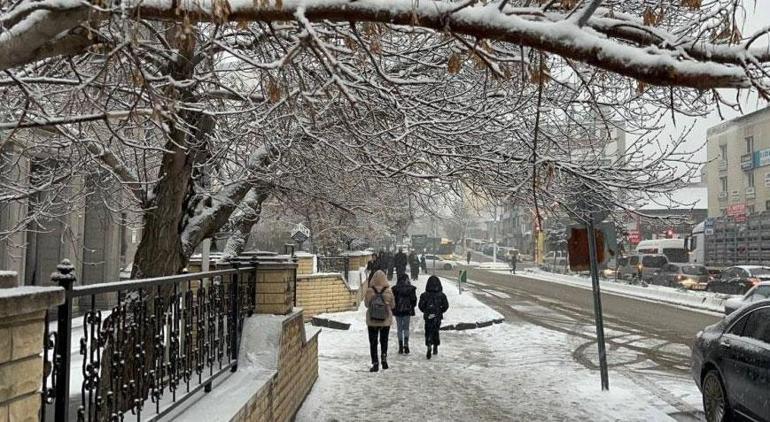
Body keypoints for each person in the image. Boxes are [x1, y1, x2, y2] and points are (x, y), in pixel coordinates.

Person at [365, 270, 395, 372]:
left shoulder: (370, 291)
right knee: (384, 340)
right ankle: (384, 358)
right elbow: (393, 305)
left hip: (372, 321)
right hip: (385, 321)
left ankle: (375, 363)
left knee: (373, 342)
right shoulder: (388, 291)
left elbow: (366, 304)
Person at [418, 275, 449, 360]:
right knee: (436, 330)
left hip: (428, 315)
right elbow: (446, 306)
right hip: (437, 315)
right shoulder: (442, 295)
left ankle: (428, 343)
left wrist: (425, 311)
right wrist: (440, 311)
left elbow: (420, 306)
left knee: (428, 330)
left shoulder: (424, 295)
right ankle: (435, 345)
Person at [392, 273, 417, 355]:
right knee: (406, 328)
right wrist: (411, 306)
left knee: (399, 328)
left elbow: (393, 301)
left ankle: (400, 346)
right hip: (407, 310)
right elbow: (414, 301)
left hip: (398, 310)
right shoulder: (411, 289)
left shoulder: (395, 289)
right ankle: (406, 344)